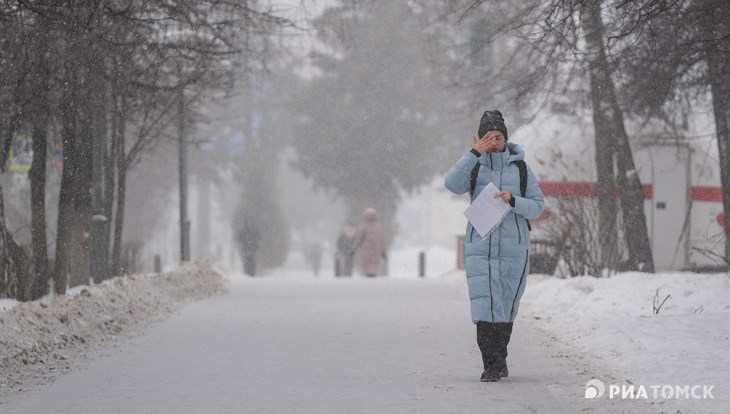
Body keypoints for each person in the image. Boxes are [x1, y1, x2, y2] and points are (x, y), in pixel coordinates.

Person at [444, 110, 544, 382]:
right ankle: (490, 365)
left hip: (514, 246)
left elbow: (537, 206)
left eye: (498, 137)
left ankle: (500, 358)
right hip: (482, 243)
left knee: (506, 306)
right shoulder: (475, 165)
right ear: (480, 139)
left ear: (506, 138)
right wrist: (473, 153)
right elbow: (451, 185)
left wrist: (513, 201)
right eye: (488, 137)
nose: (494, 142)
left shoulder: (521, 168)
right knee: (484, 305)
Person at [354, 208, 387, 278]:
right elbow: (382, 240)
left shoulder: (363, 227)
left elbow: (359, 238)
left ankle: (368, 272)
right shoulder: (379, 227)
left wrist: (355, 247)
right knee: (374, 262)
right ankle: (372, 272)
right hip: (376, 249)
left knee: (366, 261)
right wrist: (383, 251)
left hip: (366, 249)